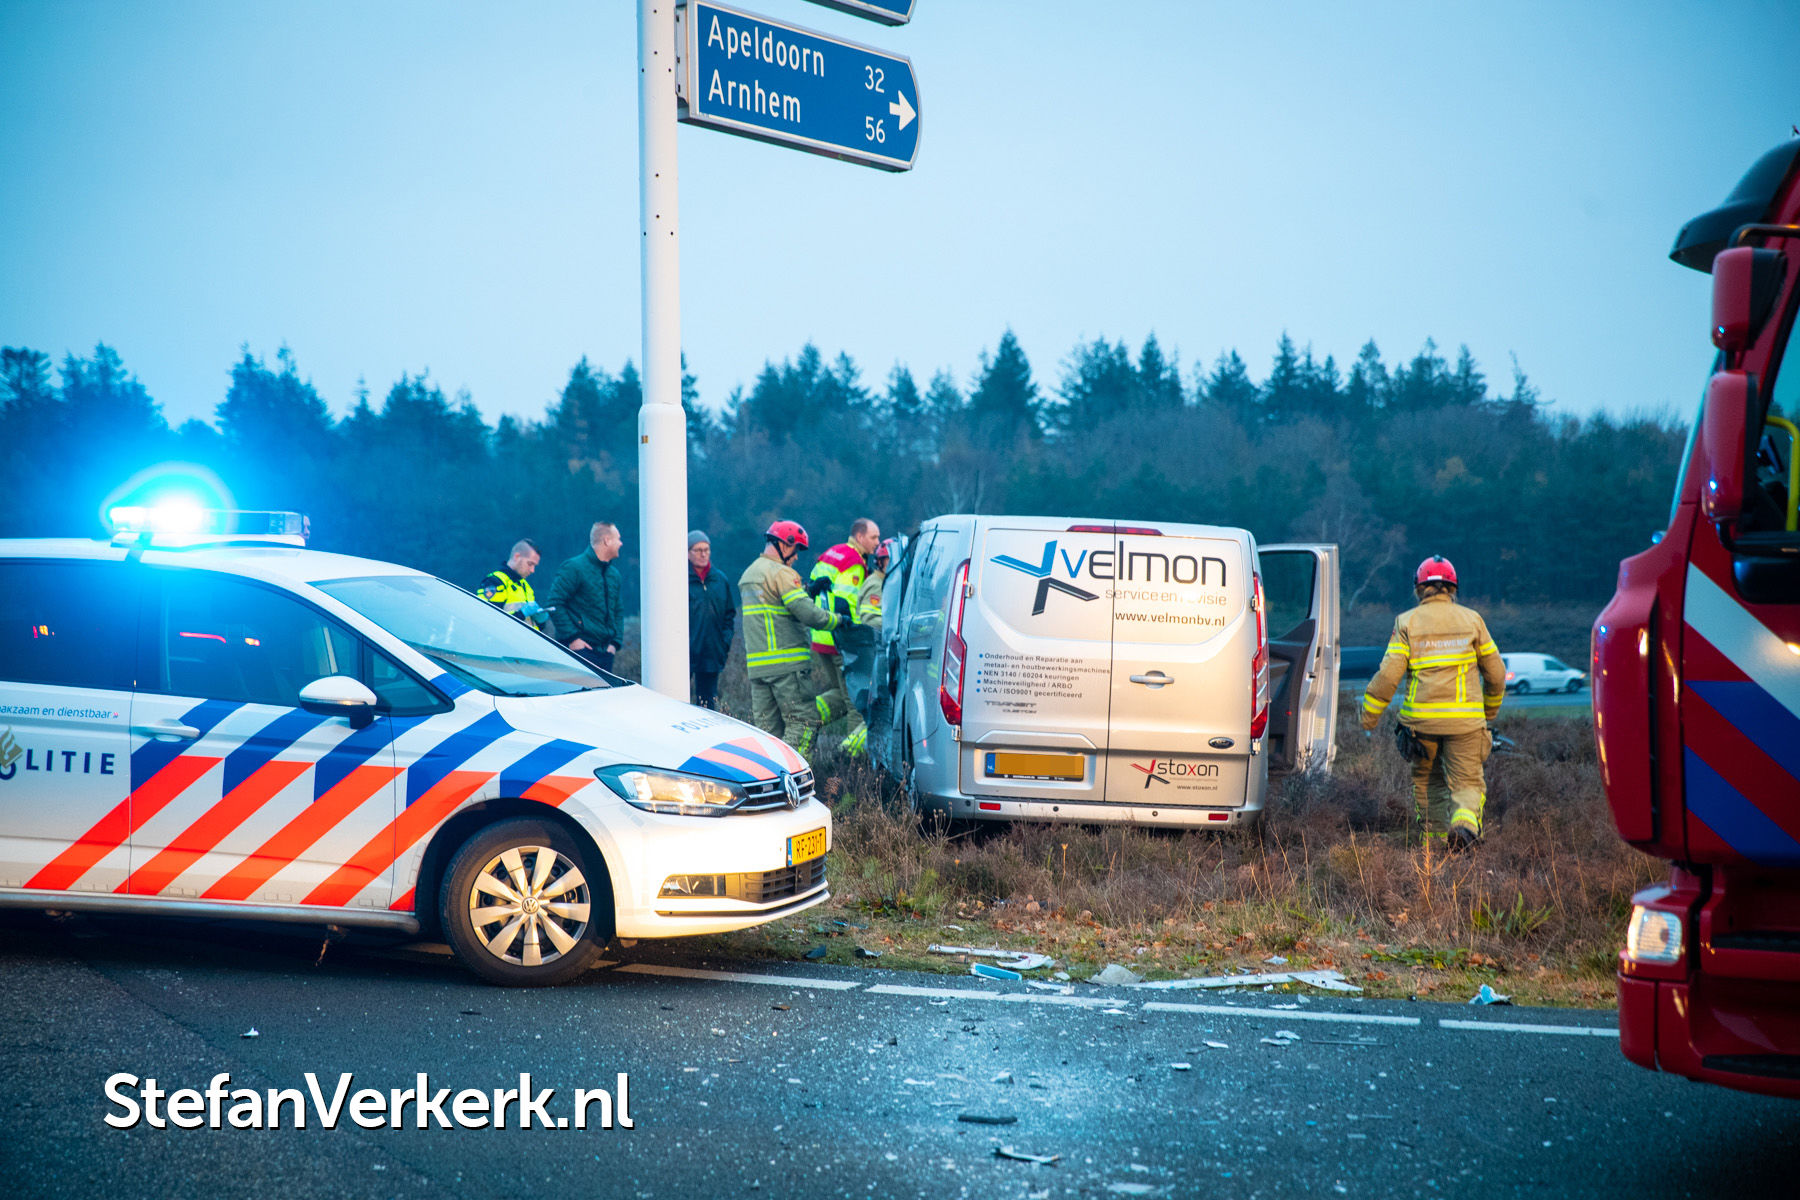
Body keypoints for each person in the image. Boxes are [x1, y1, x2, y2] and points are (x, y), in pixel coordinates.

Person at [1360, 555, 1507, 852]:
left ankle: (1434, 848)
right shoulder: (1473, 620)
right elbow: (1496, 673)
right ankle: (1464, 826)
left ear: (1418, 588)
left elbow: (1388, 676)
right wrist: (1489, 711)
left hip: (1421, 726)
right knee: (1467, 783)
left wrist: (1368, 716)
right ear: (1452, 588)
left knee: (1429, 783)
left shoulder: (1407, 622)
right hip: (1466, 725)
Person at [739, 519, 846, 755]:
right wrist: (838, 620)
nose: (796, 556)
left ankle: (769, 776)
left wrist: (808, 591)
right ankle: (794, 774)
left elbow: (775, 605)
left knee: (768, 734)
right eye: (795, 549)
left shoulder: (750, 574)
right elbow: (808, 614)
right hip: (788, 667)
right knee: (804, 722)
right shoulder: (782, 573)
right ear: (784, 544)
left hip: (758, 669)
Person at [808, 518, 880, 747]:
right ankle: (851, 758)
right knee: (856, 702)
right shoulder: (854, 562)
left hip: (820, 635)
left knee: (840, 693)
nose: (877, 543)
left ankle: (805, 719)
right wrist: (860, 637)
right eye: (873, 537)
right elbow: (846, 603)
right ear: (859, 537)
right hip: (841, 640)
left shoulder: (831, 554)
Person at [839, 536, 896, 754]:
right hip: (871, 651)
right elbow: (870, 618)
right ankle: (848, 752)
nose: (893, 564)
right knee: (877, 709)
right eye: (889, 559)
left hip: (877, 650)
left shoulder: (889, 582)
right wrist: (896, 626)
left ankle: (850, 751)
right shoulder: (876, 584)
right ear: (879, 562)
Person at [547, 521, 625, 672]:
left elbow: (618, 611)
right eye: (618, 539)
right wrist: (572, 638)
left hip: (606, 654)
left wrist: (614, 644)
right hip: (579, 652)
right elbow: (555, 603)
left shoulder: (614, 575)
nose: (621, 543)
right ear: (607, 540)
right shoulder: (574, 568)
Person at [686, 529, 735, 709]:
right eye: (698, 550)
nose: (703, 554)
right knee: (677, 701)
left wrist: (724, 643)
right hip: (685, 653)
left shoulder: (720, 580)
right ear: (688, 553)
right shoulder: (679, 579)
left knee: (707, 705)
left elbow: (729, 614)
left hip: (712, 652)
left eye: (706, 549)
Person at [475, 538, 548, 629]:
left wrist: (541, 622)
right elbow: (487, 621)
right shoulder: (495, 582)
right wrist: (521, 614)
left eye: (534, 566)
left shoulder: (526, 586)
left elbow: (531, 624)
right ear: (517, 557)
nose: (532, 570)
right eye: (530, 564)